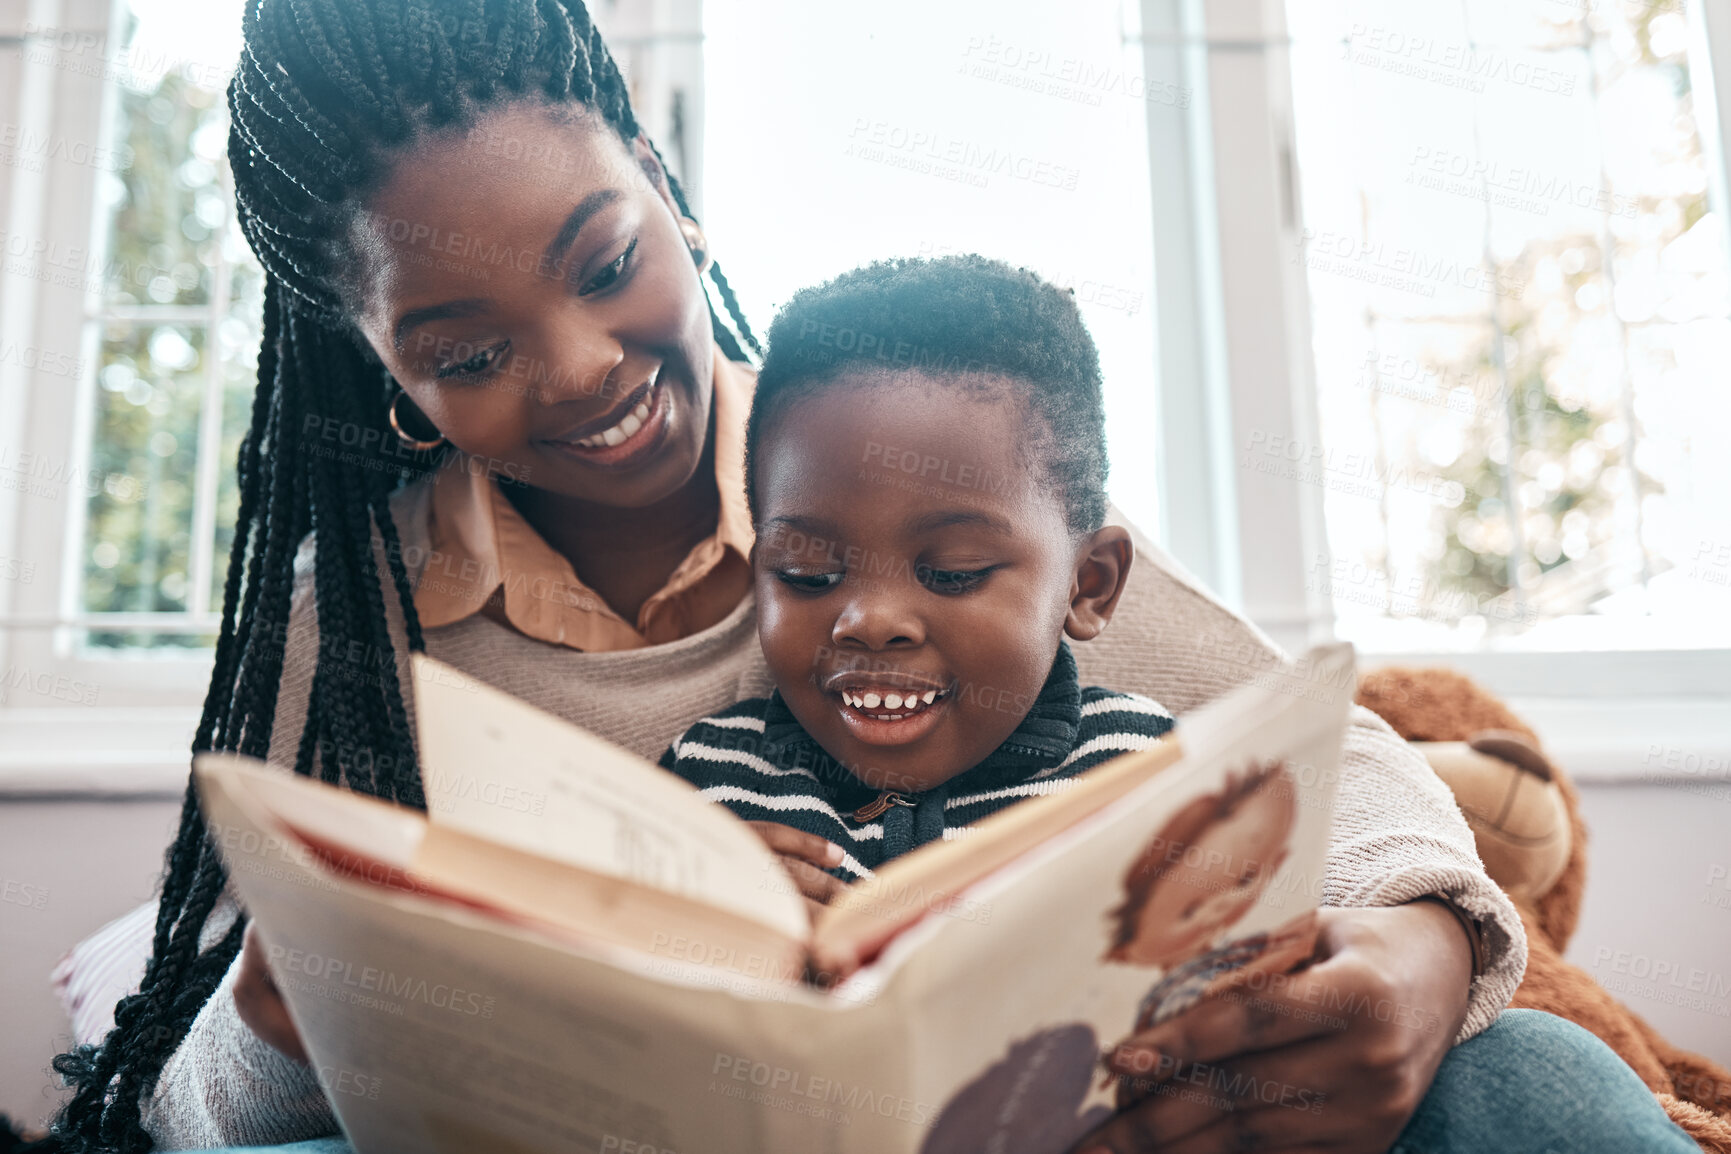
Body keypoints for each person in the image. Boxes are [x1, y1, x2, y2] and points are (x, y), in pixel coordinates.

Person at [37, 3, 1694, 1152]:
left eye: (609, 264)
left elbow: (1336, 767)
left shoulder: (883, 456)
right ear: (376, 367)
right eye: (465, 351)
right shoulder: (367, 619)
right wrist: (287, 1016)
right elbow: (185, 1093)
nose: (586, 372)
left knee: (1528, 1070)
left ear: (659, 171)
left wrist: (1409, 959)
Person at [660, 257, 1176, 895]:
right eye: (808, 574)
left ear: (1088, 584)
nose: (870, 622)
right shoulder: (708, 780)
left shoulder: (1143, 767)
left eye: (952, 574)